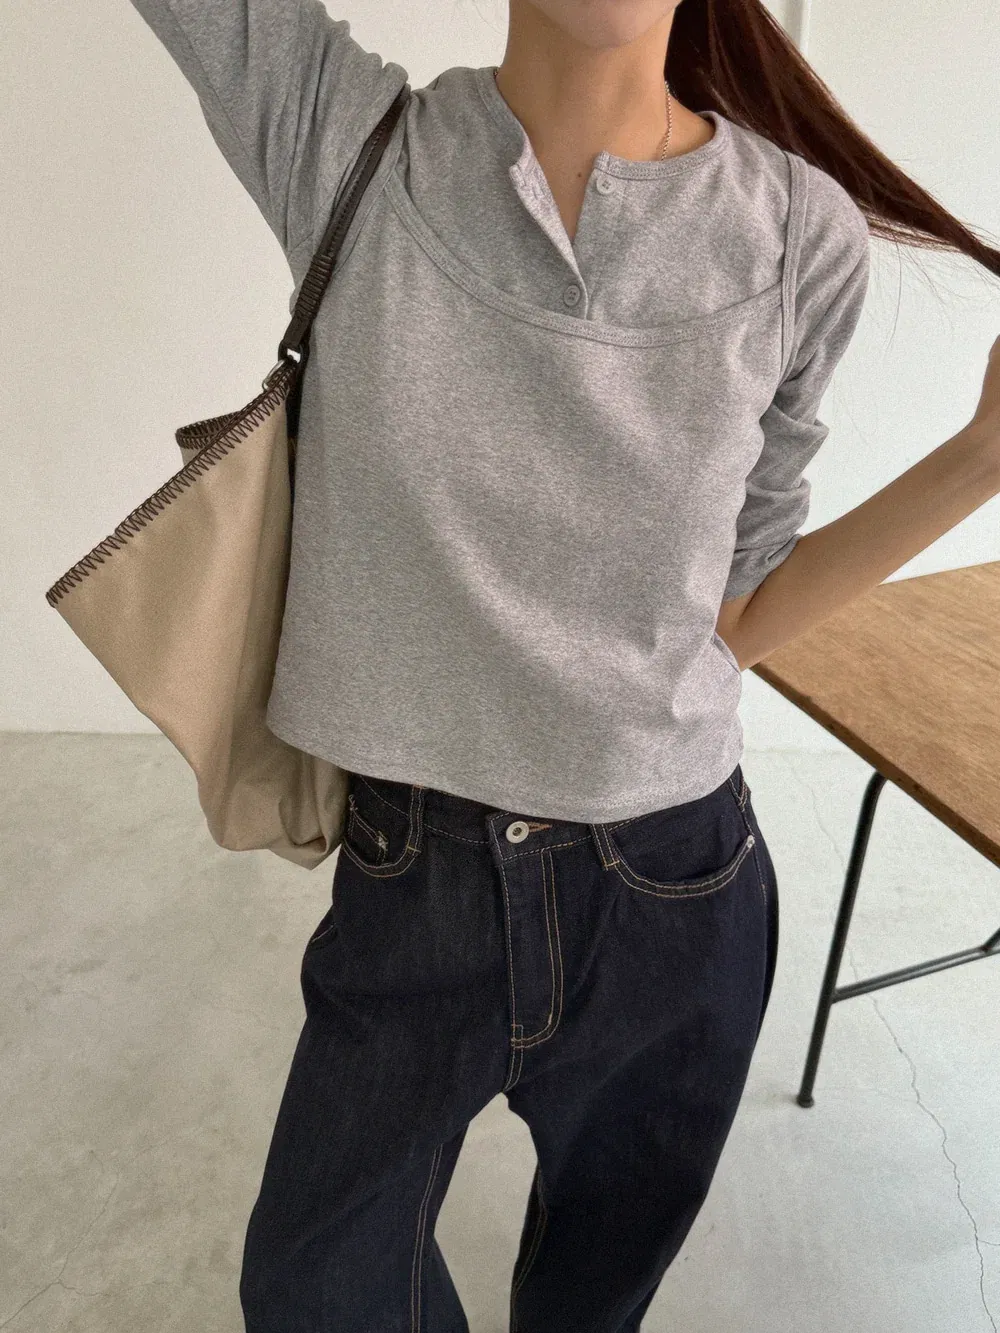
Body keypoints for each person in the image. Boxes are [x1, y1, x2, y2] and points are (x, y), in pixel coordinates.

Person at [126, 0, 1000, 1328]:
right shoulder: (349, 146)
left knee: (592, 1303)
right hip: (414, 877)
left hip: (678, 888)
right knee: (316, 1286)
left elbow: (739, 606)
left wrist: (983, 459)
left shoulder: (796, 232)